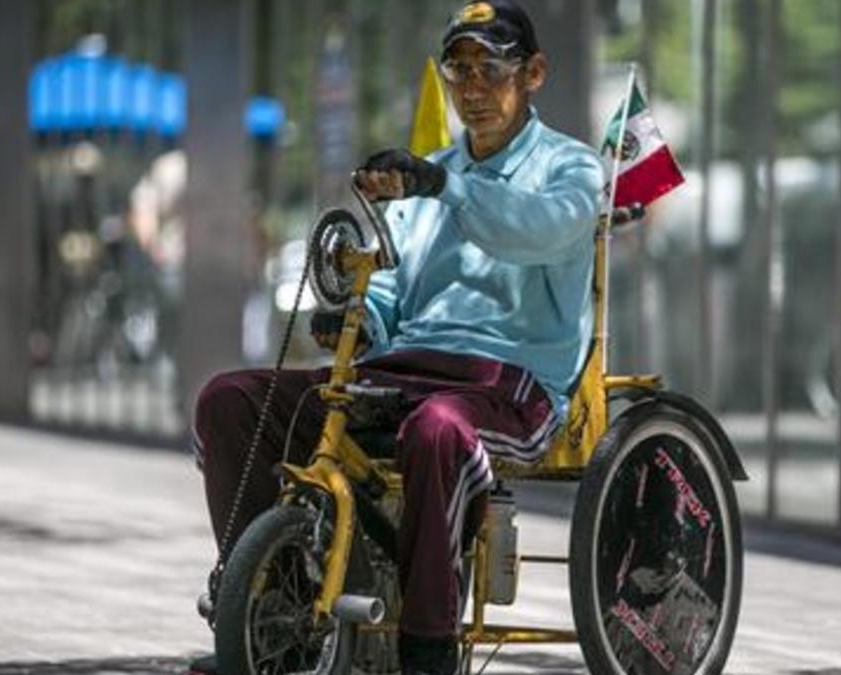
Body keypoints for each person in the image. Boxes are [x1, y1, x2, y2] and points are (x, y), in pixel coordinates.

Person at [191, 2, 604, 673]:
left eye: (491, 69)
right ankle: (265, 610)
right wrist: (361, 315)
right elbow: (389, 283)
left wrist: (446, 186)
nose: (472, 87)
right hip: (402, 372)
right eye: (459, 70)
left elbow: (533, 229)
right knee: (230, 400)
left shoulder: (572, 169)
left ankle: (427, 648)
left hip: (511, 386)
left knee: (439, 429)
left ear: (533, 74)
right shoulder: (430, 176)